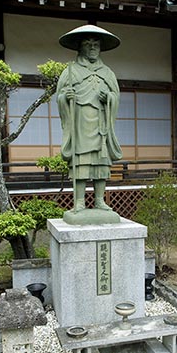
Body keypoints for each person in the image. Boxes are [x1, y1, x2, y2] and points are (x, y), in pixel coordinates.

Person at [57, 24, 122, 212]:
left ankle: (100, 200)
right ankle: (79, 201)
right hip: (80, 125)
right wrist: (65, 98)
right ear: (80, 47)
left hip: (101, 123)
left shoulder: (108, 73)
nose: (92, 47)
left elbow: (116, 96)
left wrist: (109, 99)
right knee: (81, 162)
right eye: (87, 43)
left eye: (96, 44)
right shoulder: (70, 71)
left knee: (101, 162)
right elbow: (60, 98)